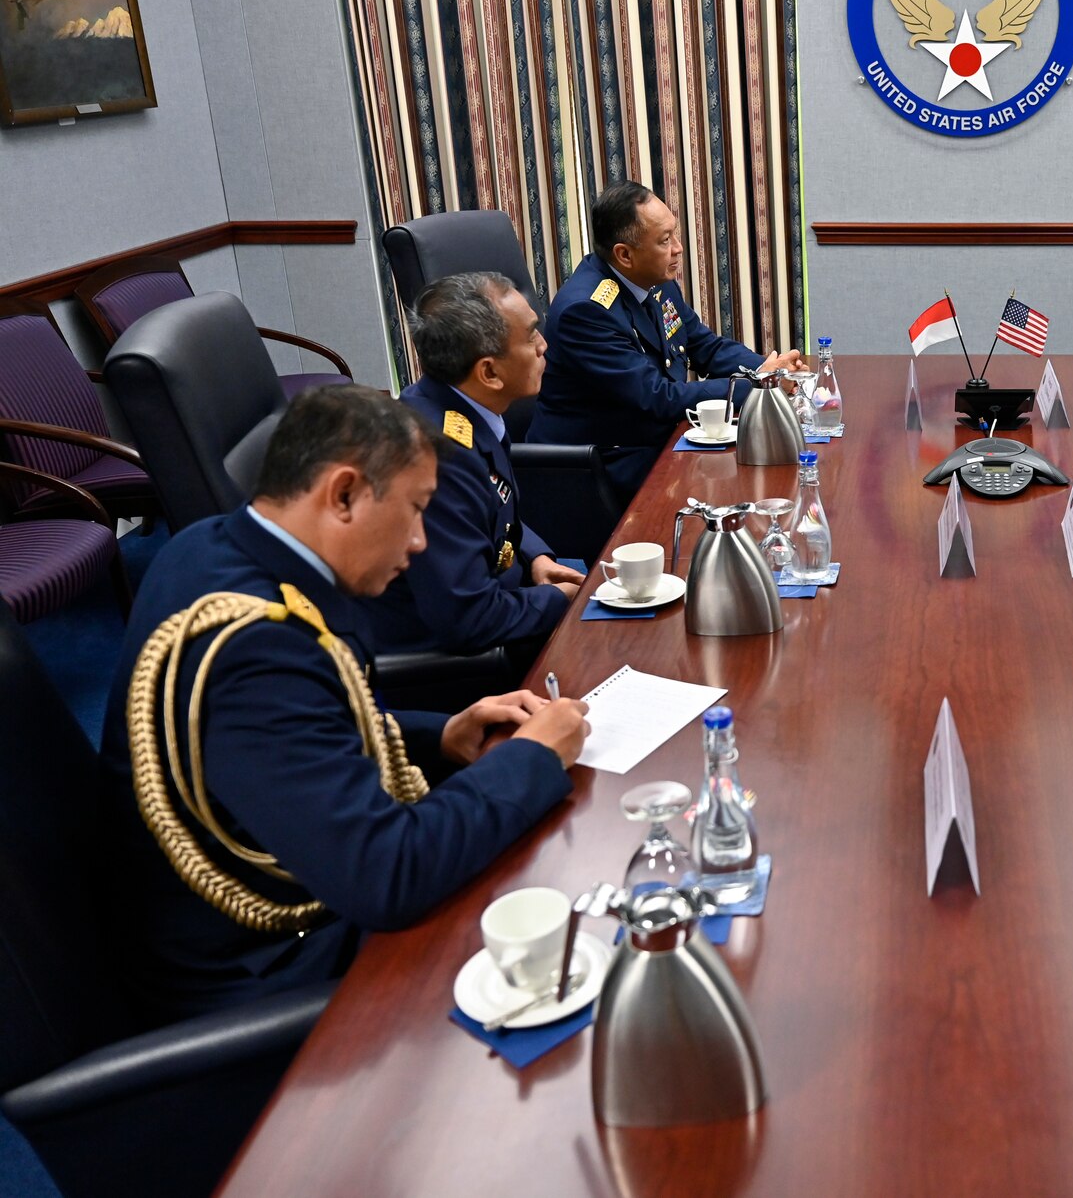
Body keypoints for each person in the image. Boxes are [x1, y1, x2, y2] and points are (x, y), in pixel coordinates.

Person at [97, 385, 590, 1018]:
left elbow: (304, 732)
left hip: (293, 880)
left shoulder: (208, 545)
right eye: (414, 510)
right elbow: (388, 875)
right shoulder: (255, 647)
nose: (419, 542)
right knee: (560, 951)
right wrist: (531, 759)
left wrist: (439, 735)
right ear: (345, 494)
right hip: (266, 969)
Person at [358, 272, 584, 659]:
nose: (544, 345)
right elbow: (469, 619)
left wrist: (537, 558)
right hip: (451, 664)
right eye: (531, 336)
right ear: (489, 373)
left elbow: (494, 511)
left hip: (505, 590)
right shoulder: (436, 458)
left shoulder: (459, 408)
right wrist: (561, 602)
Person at [529, 181, 804, 496]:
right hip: (598, 467)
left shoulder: (655, 282)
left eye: (675, 233)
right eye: (664, 240)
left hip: (653, 441)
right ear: (625, 255)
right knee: (743, 485)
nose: (678, 248)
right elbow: (657, 397)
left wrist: (769, 369)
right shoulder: (587, 311)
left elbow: (706, 347)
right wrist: (759, 386)